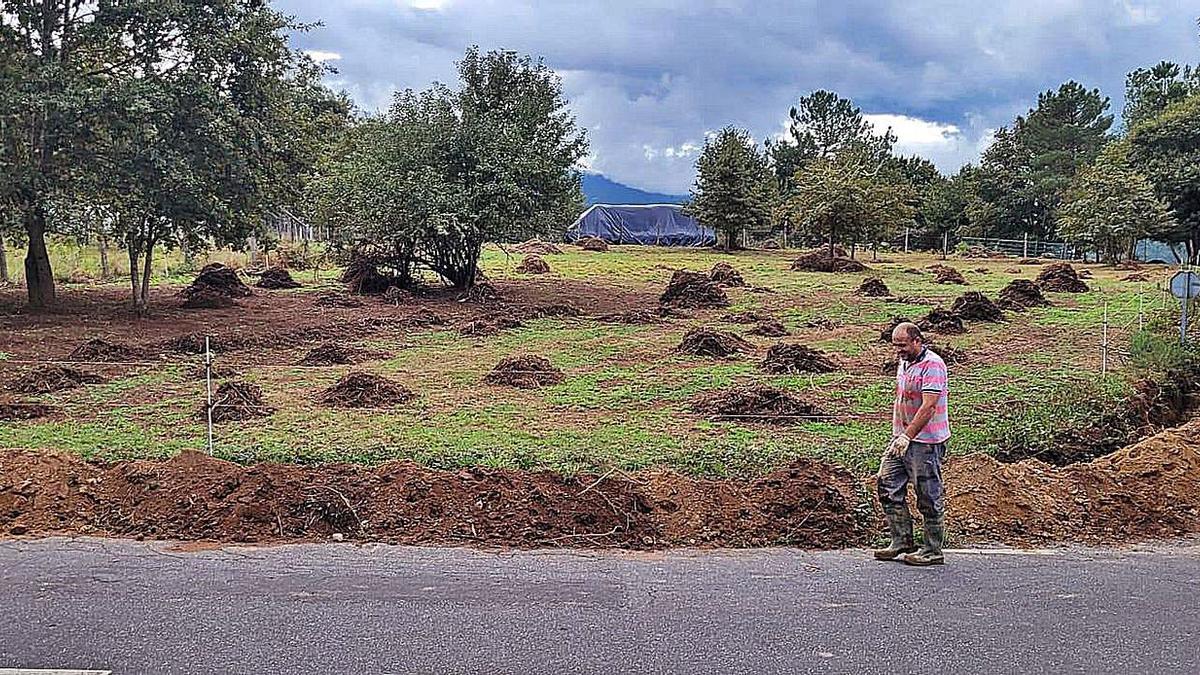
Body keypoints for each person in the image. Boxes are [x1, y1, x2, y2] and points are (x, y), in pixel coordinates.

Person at [874, 322, 950, 566]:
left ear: (917, 340)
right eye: (896, 345)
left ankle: (932, 549)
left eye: (903, 345)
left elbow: (929, 407)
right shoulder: (905, 361)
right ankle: (902, 539)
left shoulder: (933, 365)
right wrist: (901, 436)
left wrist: (908, 436)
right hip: (902, 439)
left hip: (924, 441)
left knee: (928, 494)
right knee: (887, 483)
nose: (899, 350)